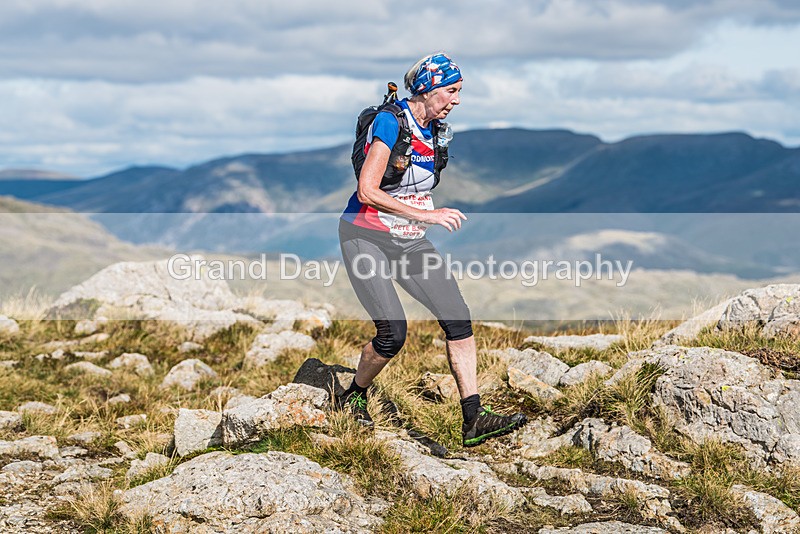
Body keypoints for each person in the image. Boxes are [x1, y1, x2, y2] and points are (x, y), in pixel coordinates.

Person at [337, 52, 527, 447]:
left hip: (407, 239)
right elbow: (367, 190)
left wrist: (419, 217)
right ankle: (352, 395)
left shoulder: (436, 130)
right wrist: (428, 215)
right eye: (452, 90)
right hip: (365, 236)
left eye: (460, 92)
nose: (457, 100)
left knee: (458, 319)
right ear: (427, 88)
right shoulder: (390, 122)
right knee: (392, 334)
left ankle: (473, 418)